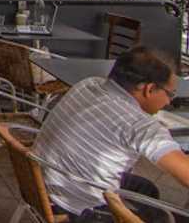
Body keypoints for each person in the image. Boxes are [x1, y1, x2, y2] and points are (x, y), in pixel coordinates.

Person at [35, 46, 189, 222]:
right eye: (171, 94)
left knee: (146, 189)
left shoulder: (87, 84)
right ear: (149, 89)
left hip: (42, 186)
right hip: (76, 208)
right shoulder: (138, 124)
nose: (170, 101)